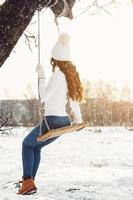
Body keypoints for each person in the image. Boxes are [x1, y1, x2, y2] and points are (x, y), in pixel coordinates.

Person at [17, 33, 84, 195]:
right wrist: (78, 118)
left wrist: (41, 75)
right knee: (35, 148)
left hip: (52, 120)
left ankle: (27, 182)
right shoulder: (70, 76)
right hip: (63, 120)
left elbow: (43, 98)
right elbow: (74, 100)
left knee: (27, 145)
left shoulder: (58, 76)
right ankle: (29, 181)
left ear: (54, 59)